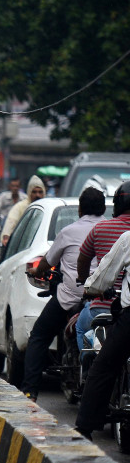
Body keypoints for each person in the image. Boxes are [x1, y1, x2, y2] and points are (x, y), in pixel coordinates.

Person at [19, 188, 105, 401]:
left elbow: (48, 262)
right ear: (103, 208)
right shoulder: (111, 229)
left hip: (72, 297)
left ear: (80, 209)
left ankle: (30, 391)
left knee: (38, 336)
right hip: (106, 297)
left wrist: (36, 271)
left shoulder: (69, 231)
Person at [73, 182, 130, 439]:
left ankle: (85, 428)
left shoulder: (127, 238)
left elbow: (103, 276)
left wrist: (91, 288)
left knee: (104, 367)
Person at [1, 176, 46, 245]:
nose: (37, 195)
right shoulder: (20, 207)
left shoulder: (47, 206)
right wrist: (6, 237)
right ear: (29, 192)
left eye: (40, 192)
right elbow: (11, 222)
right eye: (34, 192)